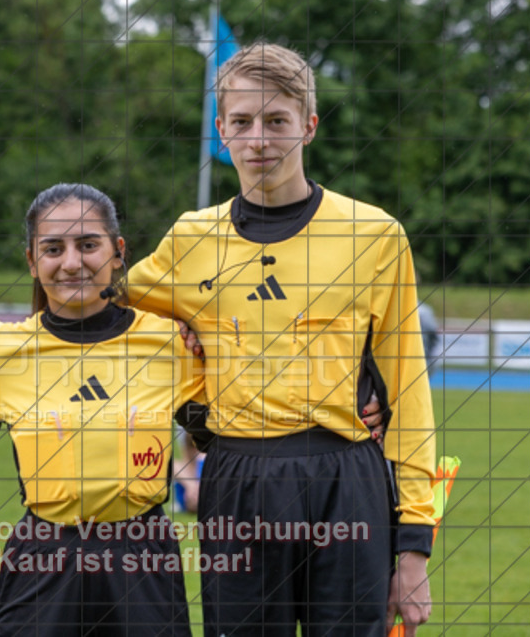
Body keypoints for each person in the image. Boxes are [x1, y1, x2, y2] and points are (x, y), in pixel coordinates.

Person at [127, 42, 437, 637]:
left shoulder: (374, 234)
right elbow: (106, 311)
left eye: (277, 121)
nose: (259, 140)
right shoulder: (190, 239)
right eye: (241, 122)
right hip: (237, 476)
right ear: (221, 131)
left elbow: (410, 390)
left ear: (309, 126)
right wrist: (188, 369)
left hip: (347, 479)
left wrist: (415, 547)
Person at [0, 183, 205, 636]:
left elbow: (238, 429)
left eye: (88, 244)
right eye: (53, 248)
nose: (71, 262)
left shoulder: (169, 342)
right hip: (43, 560)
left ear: (118, 251)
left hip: (143, 557)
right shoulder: (1, 354)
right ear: (32, 260)